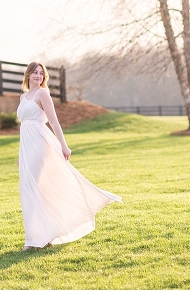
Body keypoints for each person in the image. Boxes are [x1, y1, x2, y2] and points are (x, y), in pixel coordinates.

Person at [17, 61, 121, 251]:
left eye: (41, 73)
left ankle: (34, 240)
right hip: (26, 146)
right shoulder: (24, 97)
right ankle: (41, 235)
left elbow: (54, 123)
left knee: (32, 187)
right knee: (28, 188)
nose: (38, 76)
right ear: (28, 75)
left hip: (41, 144)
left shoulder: (42, 94)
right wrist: (21, 154)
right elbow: (24, 127)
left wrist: (64, 145)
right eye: (35, 73)